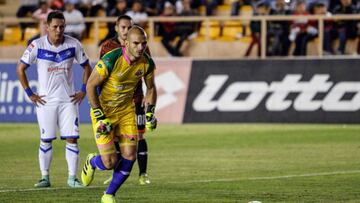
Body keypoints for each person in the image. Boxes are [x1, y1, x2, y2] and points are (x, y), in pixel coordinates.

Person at [81, 26, 157, 203]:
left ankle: (109, 194)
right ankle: (92, 162)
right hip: (104, 112)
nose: (140, 47)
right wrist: (100, 115)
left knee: (130, 156)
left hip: (126, 113)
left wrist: (150, 113)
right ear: (127, 43)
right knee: (110, 162)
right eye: (136, 43)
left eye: (144, 43)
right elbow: (91, 85)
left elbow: (151, 88)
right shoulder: (111, 59)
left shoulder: (147, 62)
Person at [16, 11, 92, 188]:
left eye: (62, 26)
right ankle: (45, 177)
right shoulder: (37, 45)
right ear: (47, 27)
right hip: (45, 101)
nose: (59, 30)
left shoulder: (74, 44)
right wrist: (30, 94)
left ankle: (72, 178)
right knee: (46, 139)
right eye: (55, 27)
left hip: (69, 101)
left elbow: (87, 67)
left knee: (72, 138)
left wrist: (82, 90)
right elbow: (20, 69)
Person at [99, 15, 153, 186]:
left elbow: (146, 73)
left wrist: (146, 97)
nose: (126, 30)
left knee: (139, 135)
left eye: (129, 27)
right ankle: (115, 173)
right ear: (116, 27)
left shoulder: (142, 47)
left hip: (135, 99)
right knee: (115, 139)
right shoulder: (108, 47)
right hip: (113, 103)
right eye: (123, 27)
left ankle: (143, 174)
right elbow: (101, 78)